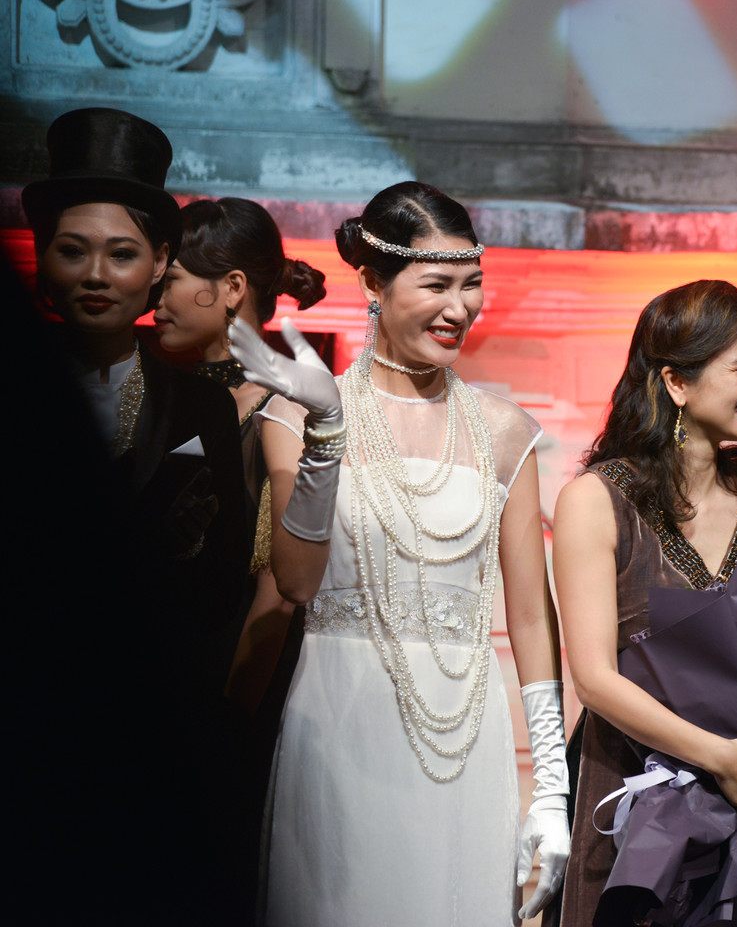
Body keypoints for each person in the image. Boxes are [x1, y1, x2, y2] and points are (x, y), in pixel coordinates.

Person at [230, 181, 569, 926]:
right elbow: (295, 581)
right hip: (338, 722)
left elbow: (531, 618)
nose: (461, 307)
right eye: (437, 284)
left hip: (465, 735)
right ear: (373, 285)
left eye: (471, 284)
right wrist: (325, 437)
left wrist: (551, 788)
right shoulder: (297, 412)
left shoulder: (505, 430)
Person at [554, 279, 737, 927]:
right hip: (635, 799)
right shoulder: (596, 501)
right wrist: (719, 757)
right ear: (676, 382)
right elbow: (594, 679)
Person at [22, 107, 252, 922]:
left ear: (157, 267)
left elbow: (228, 578)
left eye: (121, 254)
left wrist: (180, 559)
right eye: (72, 250)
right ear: (42, 260)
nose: (96, 274)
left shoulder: (202, 406)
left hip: (148, 738)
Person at [155, 197, 327, 716]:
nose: (155, 298)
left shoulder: (286, 411)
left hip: (237, 684)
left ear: (232, 288)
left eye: (171, 279)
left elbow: (278, 593)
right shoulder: (169, 399)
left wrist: (231, 720)